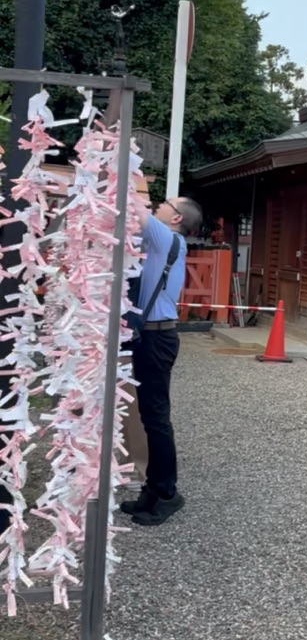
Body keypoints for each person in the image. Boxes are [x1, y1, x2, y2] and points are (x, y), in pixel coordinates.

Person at [120, 195, 203, 526]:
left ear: (177, 218)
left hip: (158, 338)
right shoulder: (161, 240)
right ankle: (153, 490)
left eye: (167, 203)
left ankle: (167, 494)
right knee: (149, 417)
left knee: (156, 419)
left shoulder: (169, 238)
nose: (159, 205)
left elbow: (134, 208)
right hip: (149, 336)